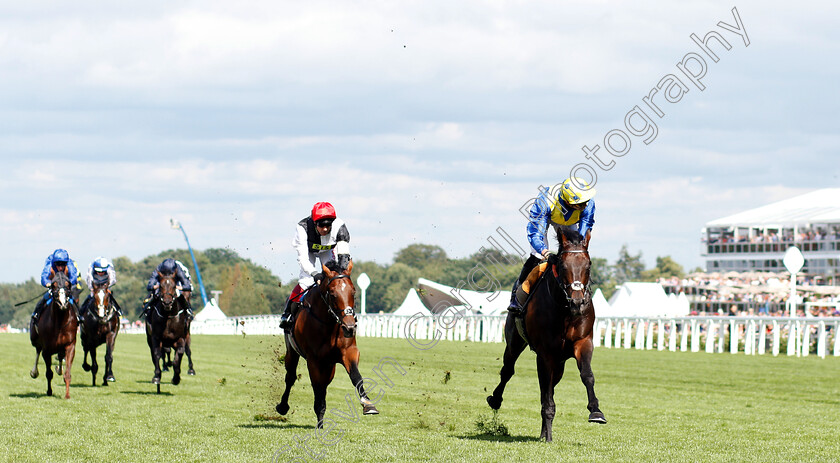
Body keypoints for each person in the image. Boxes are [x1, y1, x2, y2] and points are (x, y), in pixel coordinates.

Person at [508, 178, 596, 314]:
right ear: (567, 201)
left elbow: (586, 222)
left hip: (567, 220)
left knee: (574, 254)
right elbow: (535, 233)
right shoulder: (544, 203)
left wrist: (578, 243)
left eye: (585, 202)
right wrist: (545, 252)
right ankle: (517, 294)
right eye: (580, 204)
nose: (585, 205)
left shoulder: (587, 202)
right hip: (546, 216)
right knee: (538, 256)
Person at [279, 202, 351, 330]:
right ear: (314, 222)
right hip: (308, 251)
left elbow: (344, 255)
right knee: (305, 281)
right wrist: (315, 274)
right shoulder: (303, 228)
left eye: (328, 225)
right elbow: (303, 259)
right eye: (321, 225)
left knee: (337, 281)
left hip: (327, 251)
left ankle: (345, 312)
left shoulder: (340, 227)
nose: (325, 229)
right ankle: (287, 313)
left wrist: (341, 274)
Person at [31, 249, 81, 322]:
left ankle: (78, 316)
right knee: (45, 297)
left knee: (72, 299)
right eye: (58, 264)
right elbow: (44, 277)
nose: (60, 267)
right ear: (54, 262)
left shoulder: (69, 263)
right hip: (54, 287)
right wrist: (47, 283)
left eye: (63, 264)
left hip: (64, 287)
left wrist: (68, 284)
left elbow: (73, 277)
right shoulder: (50, 263)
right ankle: (36, 314)